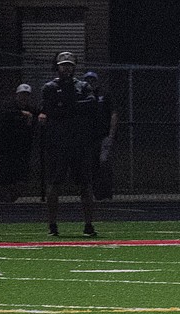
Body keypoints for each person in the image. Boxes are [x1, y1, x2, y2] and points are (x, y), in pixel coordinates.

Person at [37, 51, 98, 237]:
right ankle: (52, 225)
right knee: (54, 183)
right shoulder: (50, 87)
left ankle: (88, 224)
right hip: (58, 143)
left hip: (79, 142)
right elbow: (51, 110)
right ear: (57, 67)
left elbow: (91, 104)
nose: (66, 68)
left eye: (69, 65)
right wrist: (71, 107)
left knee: (85, 184)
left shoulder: (83, 86)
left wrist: (67, 106)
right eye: (63, 65)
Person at [0, 83, 38, 203]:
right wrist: (21, 113)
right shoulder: (9, 107)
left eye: (26, 95)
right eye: (22, 94)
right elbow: (4, 114)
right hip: (7, 147)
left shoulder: (32, 110)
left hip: (23, 147)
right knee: (6, 174)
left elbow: (37, 118)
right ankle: (5, 199)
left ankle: (13, 195)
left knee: (21, 176)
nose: (24, 97)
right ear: (17, 95)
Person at [82, 71, 119, 201]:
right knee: (92, 164)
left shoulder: (104, 94)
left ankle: (107, 191)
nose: (90, 83)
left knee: (104, 161)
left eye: (92, 80)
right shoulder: (83, 96)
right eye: (88, 80)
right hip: (89, 136)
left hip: (103, 135)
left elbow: (113, 113)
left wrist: (111, 133)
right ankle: (96, 192)